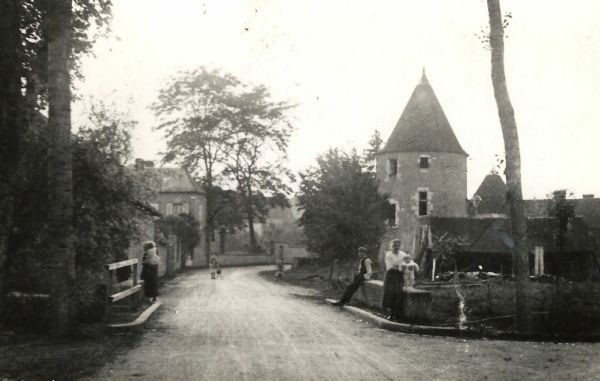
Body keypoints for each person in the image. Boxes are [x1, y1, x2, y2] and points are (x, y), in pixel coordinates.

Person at [381, 239, 409, 321]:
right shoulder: (388, 255)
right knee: (389, 294)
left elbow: (405, 265)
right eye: (394, 245)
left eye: (397, 245)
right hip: (390, 275)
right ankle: (389, 314)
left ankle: (396, 314)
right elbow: (390, 267)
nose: (396, 247)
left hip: (399, 276)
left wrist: (399, 267)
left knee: (398, 293)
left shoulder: (403, 255)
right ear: (391, 246)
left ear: (399, 246)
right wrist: (398, 267)